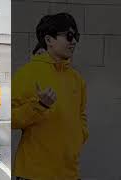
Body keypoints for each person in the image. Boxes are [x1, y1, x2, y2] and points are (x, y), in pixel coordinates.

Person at [12, 13, 89, 179]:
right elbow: (9, 119)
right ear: (48, 40)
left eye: (76, 36)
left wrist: (80, 136)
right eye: (69, 36)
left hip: (70, 174)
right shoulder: (27, 74)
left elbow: (81, 116)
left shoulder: (77, 79)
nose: (74, 41)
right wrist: (39, 106)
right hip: (34, 174)